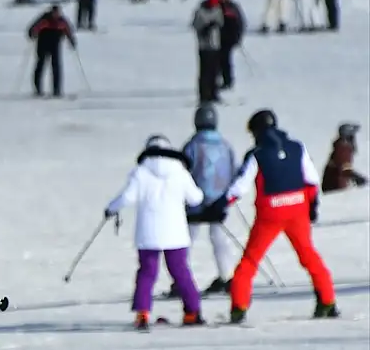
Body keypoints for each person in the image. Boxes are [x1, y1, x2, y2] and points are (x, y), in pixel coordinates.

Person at [208, 110, 337, 323]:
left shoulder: (257, 154)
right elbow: (312, 180)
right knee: (309, 256)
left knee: (250, 260)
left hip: (270, 213)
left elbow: (240, 186)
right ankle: (327, 300)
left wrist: (220, 206)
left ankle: (239, 307)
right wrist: (312, 206)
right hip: (298, 208)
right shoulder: (297, 147)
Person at [104, 135, 205, 330]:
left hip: (148, 234)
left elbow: (126, 198)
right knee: (180, 271)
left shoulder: (140, 172)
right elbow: (196, 199)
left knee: (147, 273)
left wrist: (111, 209)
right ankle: (192, 312)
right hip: (175, 233)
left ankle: (142, 315)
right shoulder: (180, 172)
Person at [181, 104, 237, 295]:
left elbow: (184, 171)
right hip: (219, 202)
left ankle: (180, 278)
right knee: (219, 238)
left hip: (195, 202)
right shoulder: (225, 145)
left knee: (186, 239)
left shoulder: (192, 145)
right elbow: (233, 170)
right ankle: (227, 276)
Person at [27, 4, 76, 98]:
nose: (56, 15)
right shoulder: (44, 19)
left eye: (58, 13)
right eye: (55, 13)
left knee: (56, 67)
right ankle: (38, 89)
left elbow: (68, 30)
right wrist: (32, 34)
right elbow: (32, 29)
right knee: (40, 65)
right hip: (43, 45)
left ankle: (56, 90)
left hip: (55, 46)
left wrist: (72, 41)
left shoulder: (62, 21)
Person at [192, 0, 224, 104]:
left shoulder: (217, 10)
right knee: (205, 72)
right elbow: (195, 25)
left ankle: (214, 93)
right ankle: (204, 95)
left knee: (215, 71)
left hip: (215, 45)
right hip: (204, 46)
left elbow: (221, 22)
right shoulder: (200, 12)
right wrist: (206, 27)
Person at [322, 123, 367, 193]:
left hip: (333, 186)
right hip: (335, 187)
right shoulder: (343, 148)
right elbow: (344, 169)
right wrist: (357, 178)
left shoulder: (341, 147)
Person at [216, 0, 244, 91]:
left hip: (229, 39)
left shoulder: (232, 7)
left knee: (225, 60)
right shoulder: (216, 6)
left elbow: (240, 23)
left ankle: (228, 81)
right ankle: (216, 80)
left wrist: (237, 37)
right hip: (216, 39)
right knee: (216, 61)